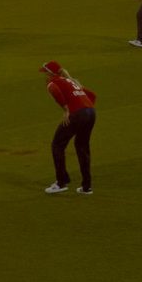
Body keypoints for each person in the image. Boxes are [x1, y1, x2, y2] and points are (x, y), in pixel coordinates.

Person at [41, 60, 95, 195]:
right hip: (91, 112)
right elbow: (92, 96)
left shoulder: (53, 82)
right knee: (82, 147)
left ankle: (61, 182)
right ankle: (86, 186)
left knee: (57, 145)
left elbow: (55, 91)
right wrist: (85, 110)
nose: (45, 76)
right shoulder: (70, 81)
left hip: (77, 114)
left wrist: (66, 110)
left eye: (45, 72)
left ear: (50, 73)